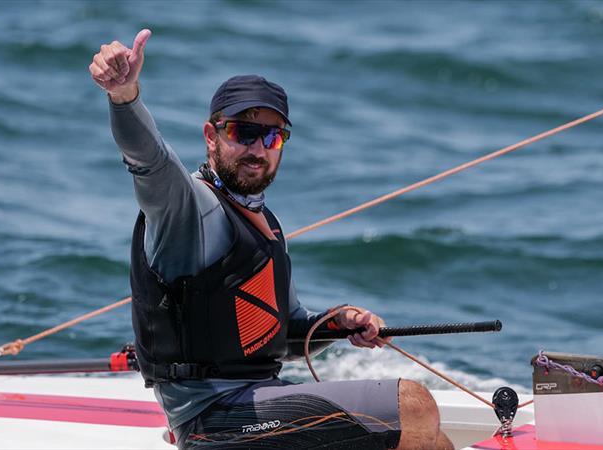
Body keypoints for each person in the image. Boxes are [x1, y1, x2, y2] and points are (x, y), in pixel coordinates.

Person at [89, 29, 454, 450]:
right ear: (211, 136)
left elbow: (281, 333)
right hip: (212, 418)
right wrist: (124, 94)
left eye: (272, 137)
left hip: (259, 402)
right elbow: (149, 161)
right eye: (243, 132)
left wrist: (338, 322)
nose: (258, 149)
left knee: (433, 437)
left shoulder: (265, 223)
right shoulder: (186, 208)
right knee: (412, 404)